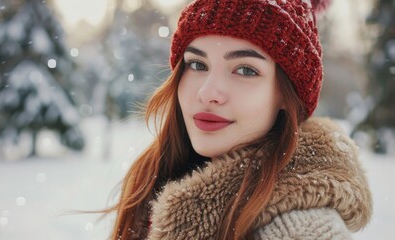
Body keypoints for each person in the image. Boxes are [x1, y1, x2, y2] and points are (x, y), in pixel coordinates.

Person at [106, 0, 372, 239]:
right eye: (198, 64)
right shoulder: (153, 184)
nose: (208, 92)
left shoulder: (300, 228)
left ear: (286, 94)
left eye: (245, 70)